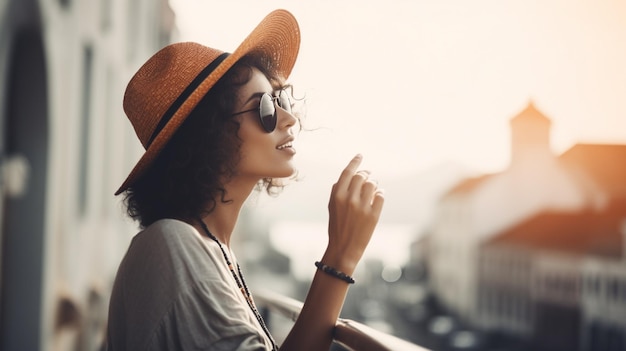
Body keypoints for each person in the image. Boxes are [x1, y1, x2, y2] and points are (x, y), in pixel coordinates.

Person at [106, 9, 384, 351]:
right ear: (207, 136)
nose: (289, 119)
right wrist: (340, 255)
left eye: (280, 100)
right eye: (265, 108)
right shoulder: (173, 243)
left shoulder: (208, 248)